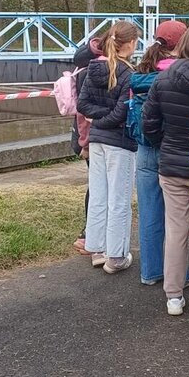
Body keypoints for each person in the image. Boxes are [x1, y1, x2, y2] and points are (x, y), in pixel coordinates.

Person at [142, 22, 189, 318]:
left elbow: (148, 123)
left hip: (170, 165)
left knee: (175, 231)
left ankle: (173, 296)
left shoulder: (162, 79)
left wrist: (165, 144)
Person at [78, 20, 141, 274]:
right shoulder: (130, 75)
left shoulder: (93, 68)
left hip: (97, 141)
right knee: (119, 200)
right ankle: (116, 255)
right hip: (120, 142)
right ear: (132, 44)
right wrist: (106, 119)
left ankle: (97, 248)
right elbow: (121, 113)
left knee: (98, 195)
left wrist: (96, 121)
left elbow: (82, 104)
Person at [129, 20, 187, 286]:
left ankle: (150, 272)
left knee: (149, 213)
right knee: (176, 218)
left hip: (144, 149)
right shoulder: (181, 73)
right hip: (173, 149)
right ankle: (180, 274)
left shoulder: (141, 71)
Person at [70, 38, 102, 256]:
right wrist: (86, 143)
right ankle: (89, 235)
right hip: (91, 139)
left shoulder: (83, 69)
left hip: (87, 138)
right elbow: (84, 114)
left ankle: (90, 234)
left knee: (96, 186)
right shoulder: (93, 72)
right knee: (98, 188)